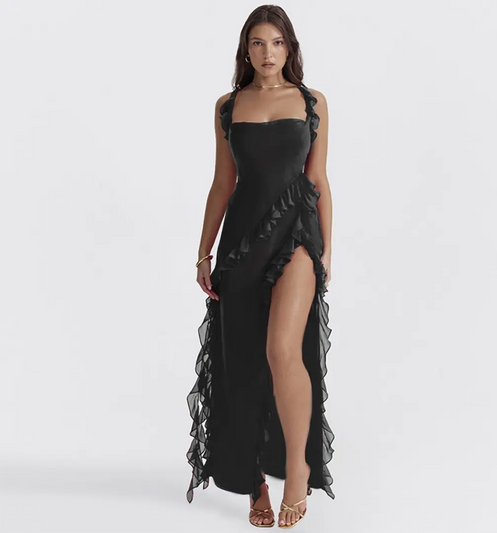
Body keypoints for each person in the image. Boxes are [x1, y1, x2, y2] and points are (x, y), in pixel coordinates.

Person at [186, 5, 335, 528]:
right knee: (244, 362)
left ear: (289, 48)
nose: (267, 53)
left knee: (281, 350)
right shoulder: (228, 106)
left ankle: (296, 469)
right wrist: (204, 252)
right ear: (245, 50)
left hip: (297, 236)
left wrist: (327, 252)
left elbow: (318, 180)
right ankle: (254, 483)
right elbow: (222, 183)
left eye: (276, 43)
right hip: (242, 241)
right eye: (257, 43)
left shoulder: (311, 101)